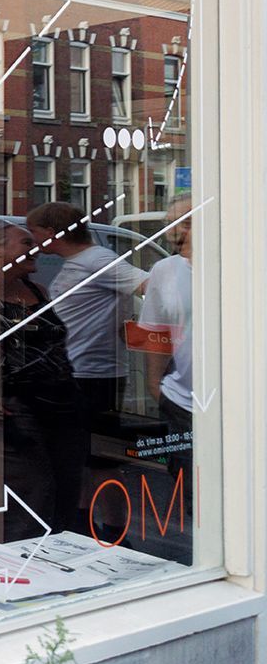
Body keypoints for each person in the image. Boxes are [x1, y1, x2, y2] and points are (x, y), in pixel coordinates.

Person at [0, 222, 84, 536]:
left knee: (66, 489)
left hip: (62, 403)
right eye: (26, 243)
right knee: (33, 493)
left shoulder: (37, 290)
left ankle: (57, 555)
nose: (36, 248)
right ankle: (25, 559)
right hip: (16, 407)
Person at [25, 201, 146, 437]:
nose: (32, 239)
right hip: (73, 371)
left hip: (91, 375)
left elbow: (148, 284)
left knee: (87, 445)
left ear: (50, 232)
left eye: (33, 231)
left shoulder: (97, 259)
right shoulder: (81, 261)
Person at [136, 195, 194, 509]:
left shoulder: (242, 264)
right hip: (183, 402)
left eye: (186, 222)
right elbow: (155, 331)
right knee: (192, 491)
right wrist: (155, 387)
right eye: (170, 223)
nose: (174, 231)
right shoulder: (164, 270)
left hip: (239, 403)